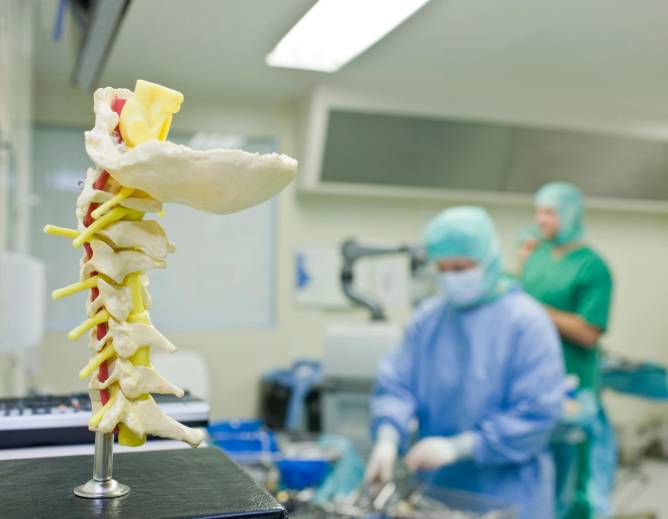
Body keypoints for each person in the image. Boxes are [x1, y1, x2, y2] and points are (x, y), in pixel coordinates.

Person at [366, 206, 565, 519]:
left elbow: (537, 415)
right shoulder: (428, 321)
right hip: (437, 494)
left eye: (461, 267)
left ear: (488, 259)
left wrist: (460, 447)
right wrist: (388, 437)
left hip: (509, 495)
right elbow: (396, 384)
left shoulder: (526, 322)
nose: (451, 277)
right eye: (443, 268)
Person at [521, 182, 614, 519]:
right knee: (533, 477)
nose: (539, 219)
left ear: (570, 214)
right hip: (534, 378)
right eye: (537, 211)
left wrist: (534, 309)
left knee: (573, 480)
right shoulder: (537, 254)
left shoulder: (593, 267)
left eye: (548, 212)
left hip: (572, 383)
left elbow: (589, 333)